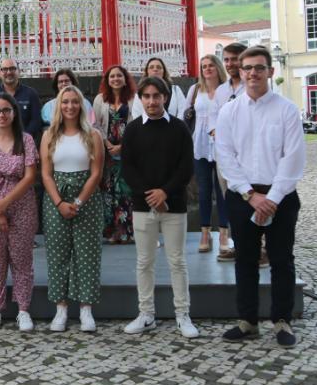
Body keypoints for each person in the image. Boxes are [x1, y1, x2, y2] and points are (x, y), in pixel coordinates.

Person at [216, 46, 306, 348]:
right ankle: (248, 321)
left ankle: (282, 320)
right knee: (245, 259)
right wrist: (250, 195)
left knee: (282, 260)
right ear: (240, 72)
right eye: (247, 68)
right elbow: (226, 157)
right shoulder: (229, 111)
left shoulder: (287, 110)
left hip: (281, 195)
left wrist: (273, 198)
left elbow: (293, 158)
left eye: (259, 67)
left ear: (270, 71)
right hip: (243, 195)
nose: (253, 73)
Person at [120, 76, 199, 339]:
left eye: (156, 96)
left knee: (177, 261)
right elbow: (128, 168)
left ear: (165, 97)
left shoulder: (179, 128)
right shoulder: (132, 130)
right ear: (140, 99)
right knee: (144, 262)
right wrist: (151, 195)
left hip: (173, 205)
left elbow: (185, 167)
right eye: (147, 96)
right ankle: (146, 314)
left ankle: (183, 314)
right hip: (143, 206)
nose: (152, 101)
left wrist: (165, 192)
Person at [40, 86, 104, 333]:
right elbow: (46, 174)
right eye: (65, 102)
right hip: (56, 199)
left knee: (87, 253)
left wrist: (77, 202)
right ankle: (61, 308)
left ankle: (86, 309)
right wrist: (59, 203)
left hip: (86, 199)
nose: (70, 106)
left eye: (74, 102)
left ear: (81, 105)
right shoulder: (49, 136)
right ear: (59, 106)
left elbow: (96, 173)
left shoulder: (93, 135)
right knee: (58, 255)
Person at [0, 93, 39, 332]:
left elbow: (30, 176)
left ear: (14, 113)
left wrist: (6, 203)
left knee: (22, 260)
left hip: (22, 206)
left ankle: (23, 309)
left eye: (5, 110)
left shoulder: (26, 140)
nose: (1, 115)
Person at [184, 55, 230, 255]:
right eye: (204, 66)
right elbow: (185, 114)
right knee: (203, 189)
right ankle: (205, 233)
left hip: (222, 144)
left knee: (222, 190)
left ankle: (223, 234)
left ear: (218, 67)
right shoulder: (195, 89)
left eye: (211, 65)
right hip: (200, 144)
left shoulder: (226, 90)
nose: (207, 69)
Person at [212, 41, 249, 264]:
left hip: (247, 154)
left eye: (235, 59)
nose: (230, 63)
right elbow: (214, 120)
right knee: (231, 201)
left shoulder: (251, 86)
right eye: (226, 59)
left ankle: (260, 246)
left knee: (250, 198)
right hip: (225, 155)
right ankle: (238, 244)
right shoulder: (221, 91)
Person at [92, 65, 137, 244]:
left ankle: (126, 232)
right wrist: (106, 143)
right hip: (107, 152)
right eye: (112, 76)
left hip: (128, 150)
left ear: (125, 79)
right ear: (107, 80)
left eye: (119, 76)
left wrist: (122, 146)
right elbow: (95, 124)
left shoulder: (134, 99)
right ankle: (112, 233)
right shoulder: (100, 99)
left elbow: (137, 123)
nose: (116, 79)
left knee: (125, 190)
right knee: (109, 190)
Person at [0, 59, 42, 140]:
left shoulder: (31, 94)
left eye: (12, 68)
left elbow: (36, 121)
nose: (9, 72)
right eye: (5, 69)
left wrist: (23, 139)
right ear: (0, 73)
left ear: (19, 71)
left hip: (25, 142)